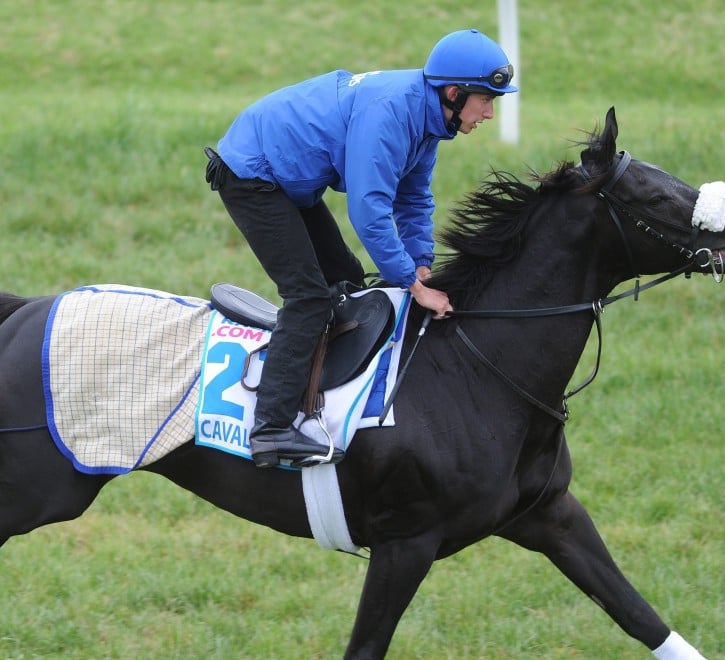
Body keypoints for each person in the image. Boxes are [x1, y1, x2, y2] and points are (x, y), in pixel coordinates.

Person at [205, 28, 518, 468]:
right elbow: (370, 211)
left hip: (288, 180)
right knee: (310, 298)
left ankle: (323, 398)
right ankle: (271, 430)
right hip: (253, 175)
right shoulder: (391, 112)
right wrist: (412, 286)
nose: (489, 112)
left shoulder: (429, 120)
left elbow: (413, 199)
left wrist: (421, 265)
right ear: (454, 93)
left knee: (347, 279)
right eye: (485, 100)